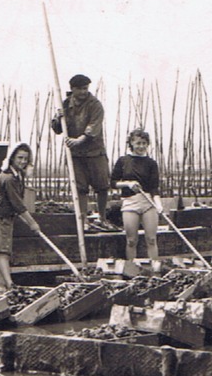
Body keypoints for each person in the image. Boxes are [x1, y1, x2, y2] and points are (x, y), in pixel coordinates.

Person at [51, 74, 113, 230]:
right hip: (76, 155)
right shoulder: (65, 104)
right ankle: (83, 221)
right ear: (73, 89)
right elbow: (57, 129)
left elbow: (93, 127)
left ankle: (102, 218)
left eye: (86, 88)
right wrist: (58, 120)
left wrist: (80, 139)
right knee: (80, 188)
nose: (84, 92)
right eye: (80, 89)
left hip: (95, 152)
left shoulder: (95, 105)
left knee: (102, 186)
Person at [0, 143, 42, 295]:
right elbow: (18, 205)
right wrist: (33, 223)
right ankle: (10, 286)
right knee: (3, 253)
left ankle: (0, 287)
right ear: (12, 158)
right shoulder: (9, 178)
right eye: (19, 158)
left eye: (26, 159)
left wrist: (28, 172)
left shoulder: (17, 175)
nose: (23, 161)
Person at [110, 129, 164, 262]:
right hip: (130, 203)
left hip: (148, 203)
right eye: (138, 143)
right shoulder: (123, 161)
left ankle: (154, 269)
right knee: (131, 240)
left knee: (151, 239)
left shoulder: (151, 163)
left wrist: (159, 205)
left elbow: (154, 188)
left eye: (144, 143)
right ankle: (131, 270)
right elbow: (112, 183)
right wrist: (128, 184)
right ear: (131, 144)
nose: (141, 146)